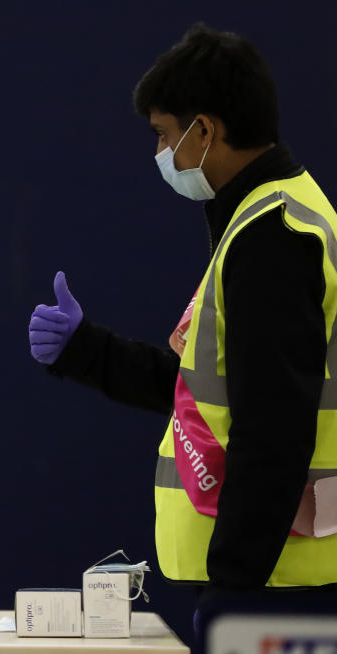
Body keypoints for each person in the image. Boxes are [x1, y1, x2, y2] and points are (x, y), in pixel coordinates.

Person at [29, 23, 337, 644]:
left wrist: (235, 589)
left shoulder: (274, 237)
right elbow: (205, 392)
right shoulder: (265, 220)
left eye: (165, 136)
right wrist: (87, 351)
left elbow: (272, 429)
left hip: (281, 584)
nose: (162, 154)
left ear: (206, 131)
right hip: (278, 574)